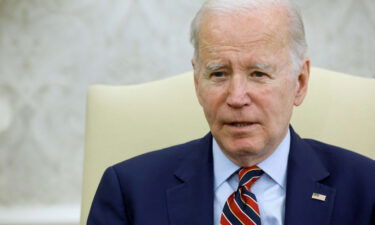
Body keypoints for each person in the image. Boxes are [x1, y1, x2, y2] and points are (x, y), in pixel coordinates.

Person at [87, 0, 375, 224]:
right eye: (219, 74)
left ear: (299, 83)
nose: (237, 97)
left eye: (259, 73)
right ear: (197, 82)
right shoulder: (129, 191)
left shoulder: (366, 190)